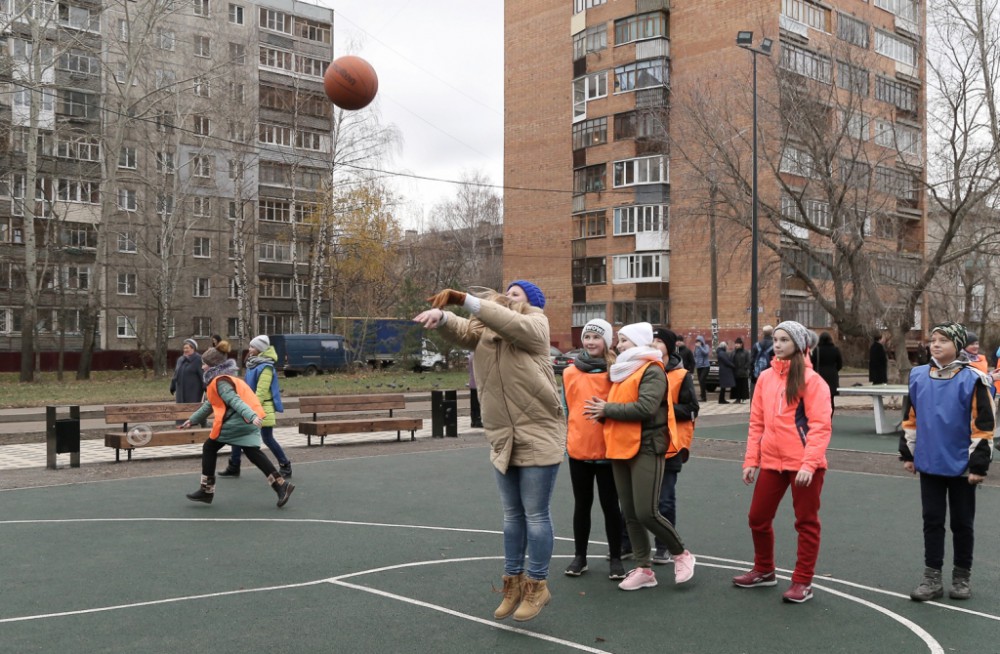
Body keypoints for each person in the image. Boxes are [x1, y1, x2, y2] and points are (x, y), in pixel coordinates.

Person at [414, 281, 565, 622]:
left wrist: (466, 300)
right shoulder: (485, 330)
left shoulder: (535, 326)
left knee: (536, 515)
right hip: (502, 435)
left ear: (531, 303)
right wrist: (442, 316)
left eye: (517, 294)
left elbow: (511, 323)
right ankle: (512, 583)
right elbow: (465, 329)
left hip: (538, 432)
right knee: (512, 516)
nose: (508, 296)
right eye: (506, 292)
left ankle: (537, 585)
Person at [583, 322, 696, 591]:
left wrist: (607, 409)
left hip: (646, 445)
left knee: (646, 511)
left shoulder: (653, 370)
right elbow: (620, 405)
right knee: (631, 513)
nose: (618, 345)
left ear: (639, 342)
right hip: (620, 445)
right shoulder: (621, 370)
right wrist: (603, 415)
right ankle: (644, 568)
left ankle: (682, 553)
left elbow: (645, 407)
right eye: (619, 340)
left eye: (624, 340)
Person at [733, 321, 832, 604]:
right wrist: (752, 459)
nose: (777, 344)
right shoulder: (765, 377)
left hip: (804, 465)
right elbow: (757, 423)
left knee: (806, 522)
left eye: (784, 340)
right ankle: (765, 570)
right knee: (758, 518)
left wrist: (809, 464)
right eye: (775, 339)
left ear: (799, 345)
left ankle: (803, 581)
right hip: (772, 463)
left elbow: (820, 427)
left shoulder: (813, 381)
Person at [900, 322, 995, 601]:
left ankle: (961, 576)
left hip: (962, 465)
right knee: (932, 520)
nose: (935, 344)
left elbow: (983, 425)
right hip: (930, 462)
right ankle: (932, 578)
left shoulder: (974, 379)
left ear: (958, 345)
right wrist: (909, 453)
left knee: (962, 523)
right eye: (933, 339)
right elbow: (911, 418)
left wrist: (978, 465)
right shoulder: (918, 376)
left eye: (943, 340)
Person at [180, 341, 294, 508]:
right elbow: (210, 404)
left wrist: (251, 415)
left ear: (212, 365)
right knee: (253, 453)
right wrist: (193, 419)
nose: (202, 367)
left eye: (204, 364)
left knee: (209, 448)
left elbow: (235, 401)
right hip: (244, 422)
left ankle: (206, 490)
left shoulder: (220, 382)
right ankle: (281, 485)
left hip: (238, 421)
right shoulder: (223, 379)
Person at [561, 318, 627, 581]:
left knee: (611, 506)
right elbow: (569, 410)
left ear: (607, 341)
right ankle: (580, 556)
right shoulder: (569, 373)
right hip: (578, 450)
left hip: (609, 451)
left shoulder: (617, 372)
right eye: (587, 337)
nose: (590, 342)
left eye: (596, 337)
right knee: (582, 505)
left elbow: (622, 408)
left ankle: (615, 558)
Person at [651, 327, 698, 565]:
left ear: (669, 347)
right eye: (650, 341)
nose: (654, 344)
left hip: (671, 446)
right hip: (644, 445)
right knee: (633, 501)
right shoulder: (639, 372)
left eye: (659, 341)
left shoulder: (680, 376)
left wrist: (663, 409)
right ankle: (627, 543)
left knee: (665, 499)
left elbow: (692, 409)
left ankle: (665, 546)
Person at [219, 335, 292, 479]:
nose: (250, 349)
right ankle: (234, 465)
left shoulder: (266, 367)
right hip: (250, 406)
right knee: (238, 435)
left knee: (267, 438)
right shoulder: (253, 364)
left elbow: (261, 392)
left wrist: (249, 409)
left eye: (252, 347)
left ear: (260, 349)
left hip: (261, 407)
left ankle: (285, 465)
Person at [810, 332, 843, 415]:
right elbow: (840, 364)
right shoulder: (835, 349)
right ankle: (829, 417)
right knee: (830, 399)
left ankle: (821, 417)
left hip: (820, 375)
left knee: (819, 399)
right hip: (832, 376)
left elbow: (812, 363)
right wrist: (834, 370)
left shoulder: (816, 350)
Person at [170, 338, 205, 404]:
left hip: (193, 393)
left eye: (187, 348)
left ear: (193, 349)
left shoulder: (198, 359)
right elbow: (176, 374)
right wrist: (173, 386)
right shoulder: (180, 360)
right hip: (180, 393)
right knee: (180, 411)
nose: (185, 350)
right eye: (184, 348)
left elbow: (203, 376)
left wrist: (206, 389)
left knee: (192, 411)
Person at [750, 324, 774, 396]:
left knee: (760, 392)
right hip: (771, 372)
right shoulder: (775, 345)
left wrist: (752, 373)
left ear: (763, 333)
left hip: (759, 373)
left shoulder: (756, 345)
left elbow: (752, 360)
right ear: (772, 333)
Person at [731, 337, 752, 403]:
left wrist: (745, 367)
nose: (736, 345)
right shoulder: (733, 352)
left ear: (741, 344)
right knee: (736, 386)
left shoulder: (745, 352)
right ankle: (737, 398)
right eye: (735, 344)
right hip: (735, 372)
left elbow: (748, 361)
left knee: (742, 386)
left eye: (738, 344)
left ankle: (742, 398)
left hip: (743, 372)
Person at [694, 335, 711, 402]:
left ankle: (704, 397)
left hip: (705, 366)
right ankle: (702, 395)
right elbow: (694, 355)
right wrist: (695, 361)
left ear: (702, 341)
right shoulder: (696, 348)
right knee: (700, 382)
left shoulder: (706, 346)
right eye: (697, 341)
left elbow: (706, 353)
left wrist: (700, 346)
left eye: (699, 341)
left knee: (702, 380)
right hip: (699, 366)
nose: (698, 342)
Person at [468, 353, 483, 428]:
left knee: (473, 403)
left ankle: (473, 420)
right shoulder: (477, 356)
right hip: (478, 383)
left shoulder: (471, 355)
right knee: (477, 403)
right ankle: (477, 420)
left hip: (472, 383)